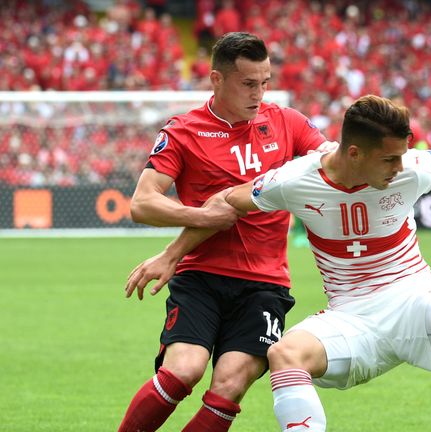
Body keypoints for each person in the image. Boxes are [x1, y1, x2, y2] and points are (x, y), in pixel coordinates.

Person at [128, 95, 431, 431]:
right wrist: (172, 255)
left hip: (414, 296)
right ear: (355, 152)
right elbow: (229, 204)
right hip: (350, 316)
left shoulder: (409, 167)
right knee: (283, 355)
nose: (399, 166)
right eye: (388, 159)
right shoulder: (295, 180)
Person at [118, 32, 333, 432]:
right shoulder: (184, 130)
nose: (259, 93)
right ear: (217, 80)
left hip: (265, 285)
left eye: (265, 82)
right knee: (183, 370)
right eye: (248, 83)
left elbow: (332, 162)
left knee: (230, 383)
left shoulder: (287, 122)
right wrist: (204, 217)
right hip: (201, 276)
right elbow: (142, 203)